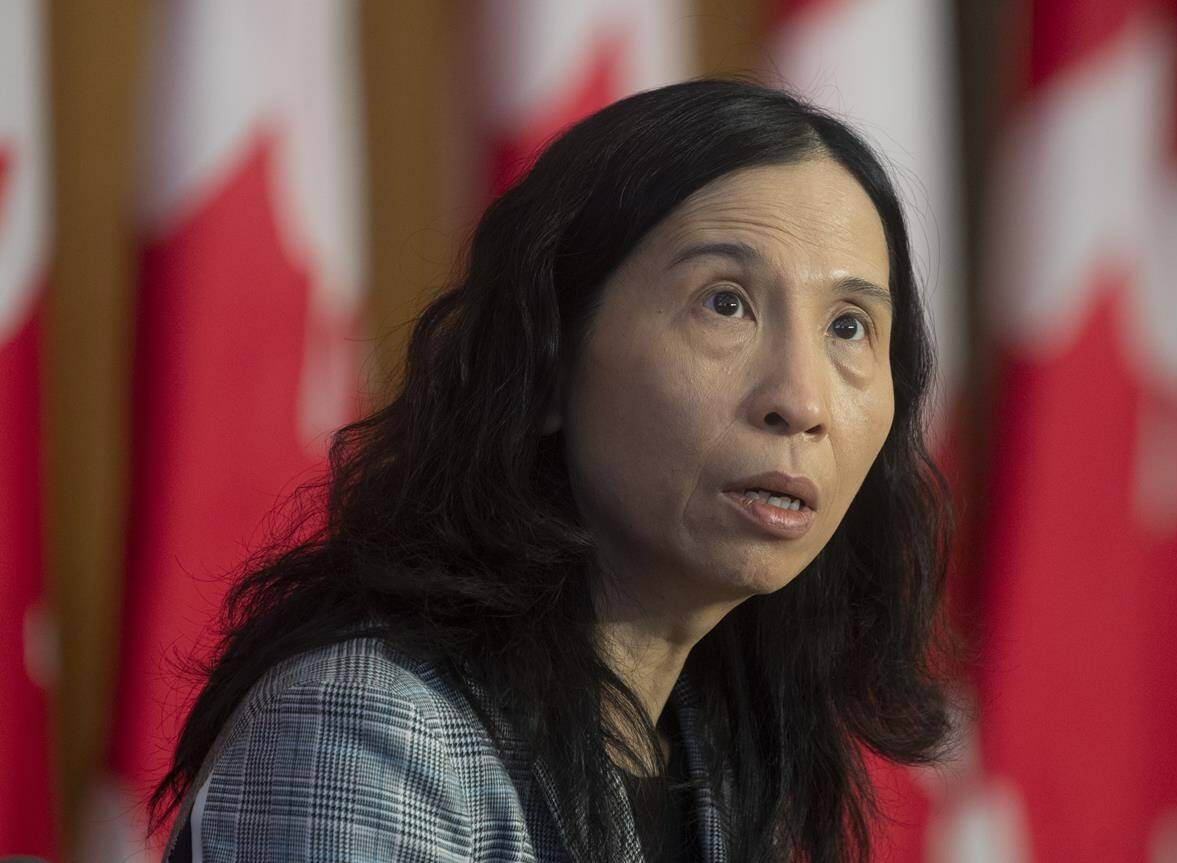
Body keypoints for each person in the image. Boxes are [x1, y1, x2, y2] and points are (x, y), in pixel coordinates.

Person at [152, 76, 960, 863]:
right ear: (545, 362)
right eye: (725, 303)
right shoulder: (368, 736)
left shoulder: (718, 748)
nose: (800, 401)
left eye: (851, 327)